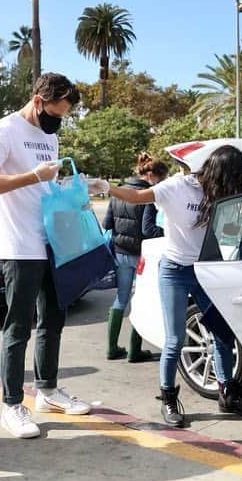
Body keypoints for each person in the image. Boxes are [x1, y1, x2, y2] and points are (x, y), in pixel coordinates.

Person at [100, 145, 242, 428]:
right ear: (222, 172)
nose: (236, 185)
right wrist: (106, 187)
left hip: (206, 270)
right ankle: (169, 398)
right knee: (173, 340)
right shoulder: (177, 186)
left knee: (221, 333)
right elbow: (136, 197)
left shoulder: (220, 194)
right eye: (235, 178)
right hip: (174, 270)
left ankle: (227, 392)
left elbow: (221, 230)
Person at [0, 73, 91, 441]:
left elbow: (45, 187)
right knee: (18, 325)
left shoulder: (50, 136)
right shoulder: (2, 132)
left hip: (51, 241)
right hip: (19, 244)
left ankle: (48, 391)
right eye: (56, 112)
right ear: (38, 101)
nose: (60, 121)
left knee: (53, 318)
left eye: (64, 115)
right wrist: (31, 176)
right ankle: (11, 405)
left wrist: (72, 192)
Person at [102, 153, 167, 362]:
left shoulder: (118, 193)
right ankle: (134, 350)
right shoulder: (147, 195)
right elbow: (148, 229)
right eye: (161, 178)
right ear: (151, 175)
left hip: (121, 253)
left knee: (121, 299)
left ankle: (111, 349)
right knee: (140, 301)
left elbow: (107, 225)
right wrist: (167, 232)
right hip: (142, 257)